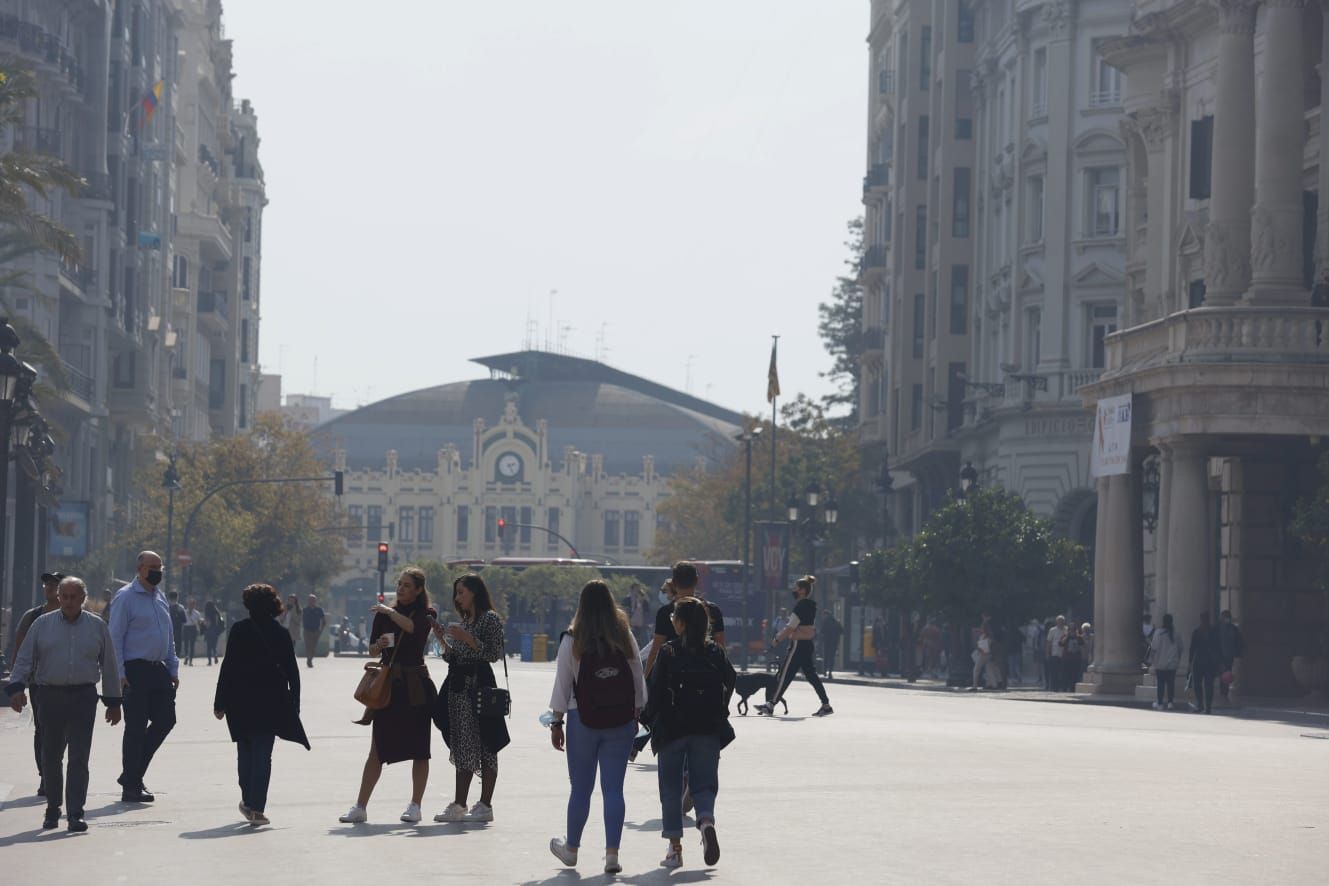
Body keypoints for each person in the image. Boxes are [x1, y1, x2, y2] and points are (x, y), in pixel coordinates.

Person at [5, 576, 122, 832]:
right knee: (51, 755)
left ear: (83, 598)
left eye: (74, 597)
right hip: (50, 696)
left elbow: (110, 665)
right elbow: (25, 658)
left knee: (79, 757)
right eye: (64, 596)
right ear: (59, 598)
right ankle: (53, 808)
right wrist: (16, 689)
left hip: (83, 697)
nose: (69, 601)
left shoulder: (97, 626)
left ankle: (76, 813)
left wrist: (113, 702)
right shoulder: (42, 625)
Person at [547, 580, 647, 875]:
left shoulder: (572, 639)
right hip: (620, 721)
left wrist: (556, 722)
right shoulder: (623, 635)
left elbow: (562, 685)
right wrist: (636, 711)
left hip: (582, 720)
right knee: (614, 789)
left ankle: (572, 849)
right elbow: (637, 677)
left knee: (580, 789)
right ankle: (612, 854)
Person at [340, 568, 438, 824]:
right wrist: (379, 645)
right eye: (400, 584)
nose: (402, 589)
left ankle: (415, 805)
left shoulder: (426, 613)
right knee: (377, 748)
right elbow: (372, 651)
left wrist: (390, 612)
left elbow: (413, 629)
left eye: (407, 585)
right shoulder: (382, 617)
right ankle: (360, 806)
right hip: (389, 686)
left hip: (415, 686)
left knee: (420, 749)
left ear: (419, 590)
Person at [644, 596, 736, 869]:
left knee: (671, 789)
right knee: (704, 784)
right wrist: (720, 709)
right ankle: (706, 821)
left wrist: (646, 721)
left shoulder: (669, 652)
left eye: (674, 617)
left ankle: (675, 850)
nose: (672, 620)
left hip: (673, 729)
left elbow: (656, 690)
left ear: (681, 623)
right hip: (707, 728)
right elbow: (730, 679)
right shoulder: (715, 652)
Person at [214, 583, 310, 825]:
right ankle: (255, 807)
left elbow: (228, 667)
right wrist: (295, 703)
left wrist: (220, 701)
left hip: (240, 702)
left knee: (244, 752)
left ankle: (248, 799)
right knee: (262, 755)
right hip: (271, 702)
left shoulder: (238, 630)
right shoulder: (280, 633)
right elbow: (292, 671)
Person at [430, 573, 509, 824]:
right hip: (459, 687)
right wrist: (442, 638)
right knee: (462, 742)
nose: (458, 597)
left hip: (480, 687)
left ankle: (482, 804)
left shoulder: (490, 619)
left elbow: (493, 654)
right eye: (457, 593)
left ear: (475, 592)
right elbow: (454, 656)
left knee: (487, 743)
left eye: (462, 592)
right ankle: (460, 804)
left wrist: (468, 639)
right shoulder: (465, 620)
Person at [109, 551, 179, 804]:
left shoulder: (159, 598)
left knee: (166, 720)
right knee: (136, 728)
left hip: (158, 670)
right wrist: (119, 674)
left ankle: (132, 775)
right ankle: (131, 785)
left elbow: (168, 636)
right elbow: (114, 636)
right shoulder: (125, 597)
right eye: (152, 567)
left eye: (160, 567)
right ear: (140, 569)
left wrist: (173, 668)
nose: (157, 571)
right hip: (134, 670)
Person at [13, 571, 63, 797]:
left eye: (54, 584)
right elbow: (20, 652)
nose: (49, 588)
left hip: (68, 682)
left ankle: (53, 770)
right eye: (46, 584)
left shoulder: (73, 616)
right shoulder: (32, 616)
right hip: (39, 683)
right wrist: (17, 685)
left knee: (63, 731)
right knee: (43, 728)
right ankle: (46, 775)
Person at [756, 576, 832, 717]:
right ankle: (826, 704)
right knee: (810, 676)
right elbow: (806, 627)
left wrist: (777, 639)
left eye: (796, 587)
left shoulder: (800, 606)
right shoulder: (811, 606)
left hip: (797, 645)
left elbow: (790, 627)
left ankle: (770, 705)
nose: (793, 590)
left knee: (784, 675)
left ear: (802, 590)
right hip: (807, 645)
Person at [1189, 611, 1222, 714]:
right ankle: (1203, 705)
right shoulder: (1201, 632)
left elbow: (1192, 649)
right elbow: (1192, 649)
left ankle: (1204, 706)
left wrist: (1190, 663)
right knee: (1202, 685)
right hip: (1203, 662)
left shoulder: (1209, 632)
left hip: (1205, 662)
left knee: (1205, 685)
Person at [1149, 613, 1183, 710]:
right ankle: (1170, 702)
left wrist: (1153, 661)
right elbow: (1180, 648)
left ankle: (1160, 702)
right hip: (1172, 663)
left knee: (1160, 684)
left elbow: (1153, 648)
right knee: (1171, 684)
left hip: (1160, 663)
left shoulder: (1158, 633)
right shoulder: (1176, 634)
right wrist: (1177, 659)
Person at [1217, 610, 1245, 702]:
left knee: (1226, 674)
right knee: (1223, 674)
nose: (1226, 619)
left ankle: (1224, 693)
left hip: (1229, 656)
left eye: (1227, 617)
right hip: (1221, 655)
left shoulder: (1233, 629)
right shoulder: (1219, 629)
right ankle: (1223, 693)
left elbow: (1239, 641)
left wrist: (1238, 652)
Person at [969, 625, 1000, 691]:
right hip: (988, 655)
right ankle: (993, 685)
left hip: (983, 655)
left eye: (982, 629)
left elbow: (985, 647)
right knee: (989, 670)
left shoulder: (985, 637)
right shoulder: (987, 637)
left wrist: (980, 649)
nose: (981, 629)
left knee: (976, 670)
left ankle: (975, 686)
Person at [302, 594, 326, 668]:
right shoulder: (305, 610)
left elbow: (324, 621)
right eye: (310, 600)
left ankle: (310, 659)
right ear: (308, 601)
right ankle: (309, 659)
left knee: (313, 647)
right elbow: (301, 618)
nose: (311, 601)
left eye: (313, 600)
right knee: (308, 646)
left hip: (316, 631)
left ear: (315, 601)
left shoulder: (319, 610)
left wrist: (321, 630)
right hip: (307, 631)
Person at [1045, 616, 1068, 692]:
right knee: (1054, 672)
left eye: (1062, 621)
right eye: (1059, 621)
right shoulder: (1052, 630)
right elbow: (1049, 642)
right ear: (1057, 622)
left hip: (1064, 654)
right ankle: (1054, 687)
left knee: (1063, 672)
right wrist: (1048, 653)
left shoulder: (1066, 630)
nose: (1061, 623)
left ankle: (1062, 687)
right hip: (1054, 654)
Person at [821, 611, 843, 679]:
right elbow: (842, 631)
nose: (823, 617)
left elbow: (822, 631)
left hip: (827, 642)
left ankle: (824, 671)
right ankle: (830, 672)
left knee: (826, 657)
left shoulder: (825, 622)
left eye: (824, 615)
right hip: (834, 643)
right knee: (831, 658)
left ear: (826, 615)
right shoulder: (836, 622)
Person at [203, 599, 224, 666]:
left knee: (209, 646)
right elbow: (219, 620)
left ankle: (209, 662)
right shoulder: (216, 611)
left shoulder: (207, 612)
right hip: (215, 630)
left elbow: (207, 623)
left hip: (209, 631)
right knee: (214, 646)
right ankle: (215, 654)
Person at [182, 598, 203, 666]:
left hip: (193, 628)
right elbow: (182, 621)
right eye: (189, 604)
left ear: (194, 605)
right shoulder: (184, 612)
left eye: (192, 604)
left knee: (192, 645)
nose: (190, 606)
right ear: (187, 605)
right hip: (186, 628)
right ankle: (186, 656)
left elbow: (199, 622)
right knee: (186, 644)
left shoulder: (197, 613)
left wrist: (200, 624)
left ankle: (191, 660)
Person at [167, 591, 187, 658]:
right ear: (177, 597)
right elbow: (184, 620)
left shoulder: (166, 608)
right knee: (177, 650)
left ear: (169, 598)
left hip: (168, 633)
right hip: (178, 632)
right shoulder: (181, 608)